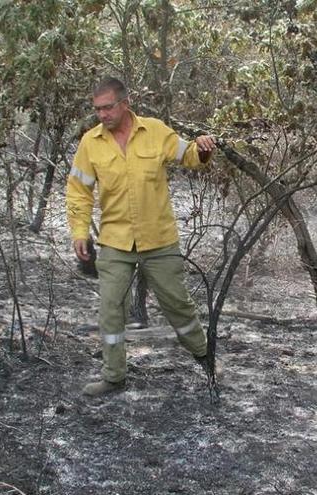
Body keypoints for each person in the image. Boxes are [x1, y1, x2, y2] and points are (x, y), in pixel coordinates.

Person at [66, 77, 217, 397]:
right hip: (115, 242)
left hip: (159, 239)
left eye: (108, 107)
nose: (102, 115)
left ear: (125, 103)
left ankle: (204, 356)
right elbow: (79, 192)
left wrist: (202, 148)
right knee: (110, 308)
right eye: (97, 110)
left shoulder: (155, 131)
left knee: (177, 304)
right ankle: (114, 376)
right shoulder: (90, 143)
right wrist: (80, 231)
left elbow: (189, 156)